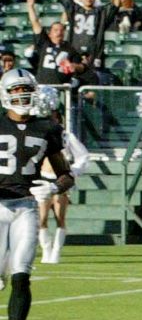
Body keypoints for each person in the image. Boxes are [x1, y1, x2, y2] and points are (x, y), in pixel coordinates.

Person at [0, 70, 76, 320]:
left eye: (26, 90)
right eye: (17, 90)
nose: (23, 96)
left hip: (26, 208)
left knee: (22, 276)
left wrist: (55, 187)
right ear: (7, 93)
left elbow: (66, 174)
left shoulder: (47, 127)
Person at [36, 107, 88, 265]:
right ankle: (46, 250)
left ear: (58, 119)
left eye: (53, 118)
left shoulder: (66, 136)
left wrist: (73, 172)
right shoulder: (38, 135)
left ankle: (56, 251)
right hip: (43, 179)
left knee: (60, 217)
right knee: (42, 218)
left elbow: (83, 155)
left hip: (60, 181)